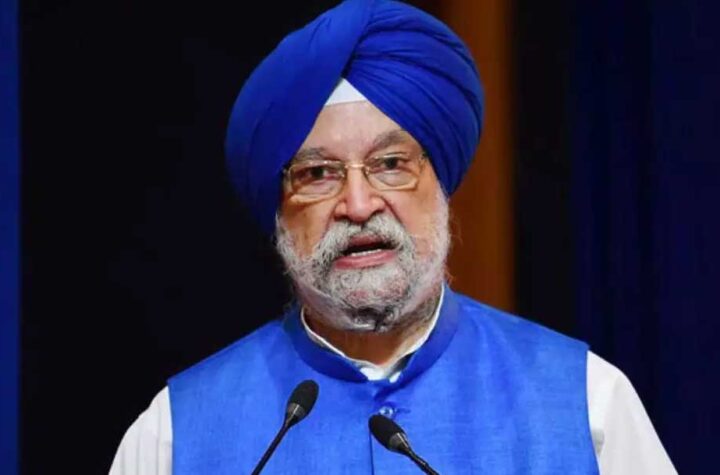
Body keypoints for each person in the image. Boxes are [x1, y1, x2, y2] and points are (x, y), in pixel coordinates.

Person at [110, 1, 676, 473]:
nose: (358, 205)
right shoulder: (174, 436)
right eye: (318, 174)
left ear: (441, 186)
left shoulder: (588, 404)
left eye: (390, 164)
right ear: (280, 212)